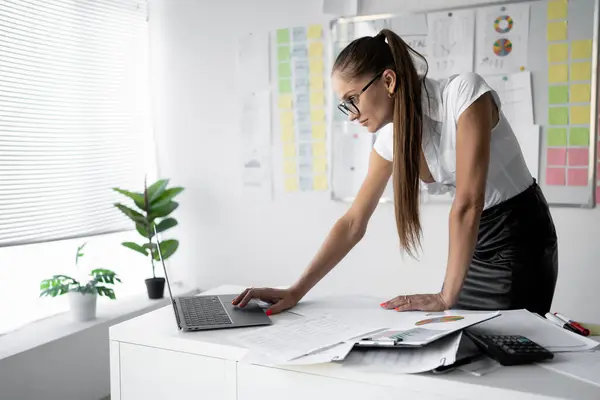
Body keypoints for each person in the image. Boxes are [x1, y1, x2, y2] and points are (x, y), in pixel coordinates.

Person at [232, 29, 558, 317]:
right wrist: (296, 291)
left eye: (352, 99)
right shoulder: (390, 139)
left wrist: (446, 295)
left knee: (506, 351)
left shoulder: (464, 95)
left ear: (387, 81)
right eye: (344, 105)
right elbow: (352, 223)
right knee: (466, 349)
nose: (351, 115)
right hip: (476, 243)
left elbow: (469, 202)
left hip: (519, 238)